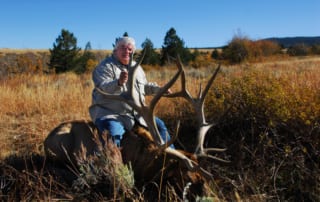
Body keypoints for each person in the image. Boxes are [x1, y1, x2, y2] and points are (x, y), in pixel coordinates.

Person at [89, 36, 174, 149]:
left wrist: (160, 90)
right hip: (111, 114)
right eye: (123, 48)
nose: (126, 51)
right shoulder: (105, 66)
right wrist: (118, 82)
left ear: (133, 51)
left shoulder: (136, 67)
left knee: (160, 126)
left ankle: (170, 157)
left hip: (136, 114)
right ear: (115, 50)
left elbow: (143, 87)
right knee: (114, 136)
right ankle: (106, 165)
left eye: (129, 49)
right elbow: (103, 88)